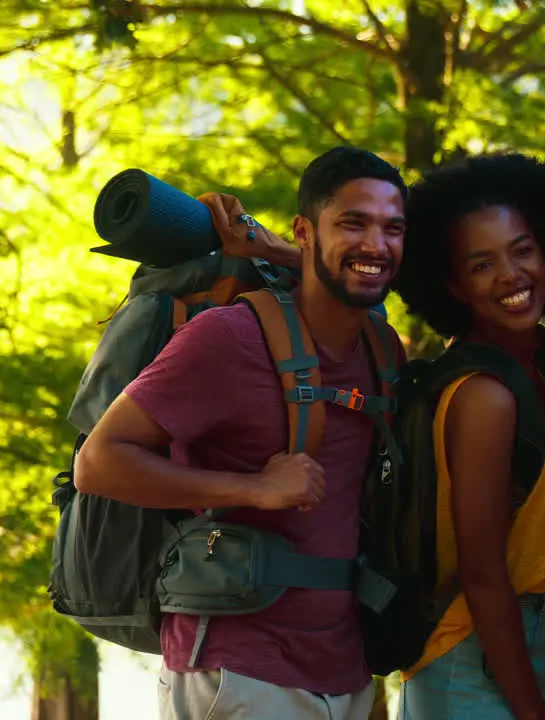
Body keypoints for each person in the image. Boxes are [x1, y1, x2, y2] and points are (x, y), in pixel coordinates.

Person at [74, 146, 408, 720]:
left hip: (345, 671)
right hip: (237, 671)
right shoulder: (229, 339)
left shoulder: (381, 348)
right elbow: (98, 463)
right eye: (353, 223)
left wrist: (267, 245)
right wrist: (250, 488)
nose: (376, 244)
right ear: (305, 231)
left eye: (392, 228)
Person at [393, 153, 545, 720]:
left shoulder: (544, 369)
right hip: (473, 662)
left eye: (522, 250)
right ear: (453, 285)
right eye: (482, 265)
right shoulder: (483, 395)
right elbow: (482, 573)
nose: (511, 276)